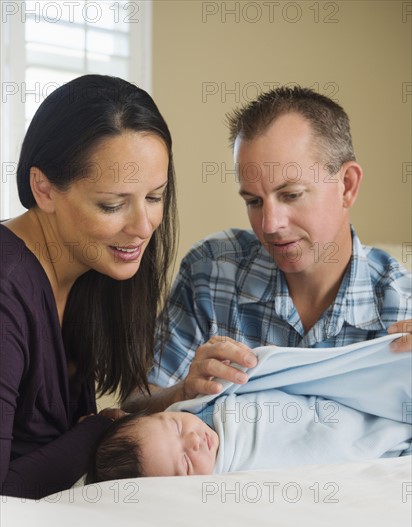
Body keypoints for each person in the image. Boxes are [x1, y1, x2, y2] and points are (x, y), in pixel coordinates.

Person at [122, 85, 412, 414]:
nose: (270, 225)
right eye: (254, 201)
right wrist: (183, 392)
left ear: (347, 186)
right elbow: (133, 409)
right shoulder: (212, 271)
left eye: (291, 195)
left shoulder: (404, 306)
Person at [0, 74, 178, 499]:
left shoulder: (90, 267)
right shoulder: (7, 292)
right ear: (43, 188)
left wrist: (180, 395)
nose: (143, 226)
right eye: (112, 205)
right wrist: (98, 430)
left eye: (155, 197)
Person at [89, 334, 412, 481]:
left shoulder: (209, 407)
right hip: (360, 447)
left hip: (348, 405)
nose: (194, 440)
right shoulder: (225, 478)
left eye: (175, 426)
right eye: (186, 464)